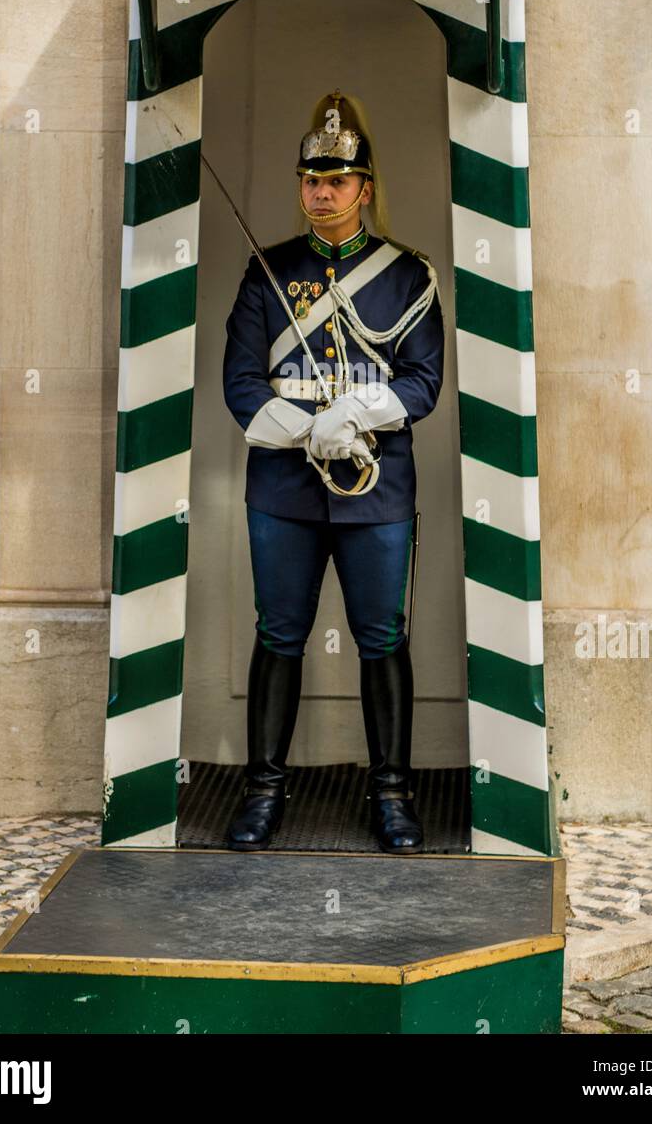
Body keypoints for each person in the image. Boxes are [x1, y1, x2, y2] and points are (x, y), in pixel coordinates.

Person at [221, 91, 444, 854]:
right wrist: (303, 428)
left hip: (375, 485)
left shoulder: (405, 275)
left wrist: (358, 415)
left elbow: (422, 381)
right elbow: (241, 384)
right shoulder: (268, 271)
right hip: (283, 487)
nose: (322, 192)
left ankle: (391, 795)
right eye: (311, 179)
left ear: (364, 188)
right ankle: (261, 792)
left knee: (381, 636)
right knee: (279, 633)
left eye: (337, 181)